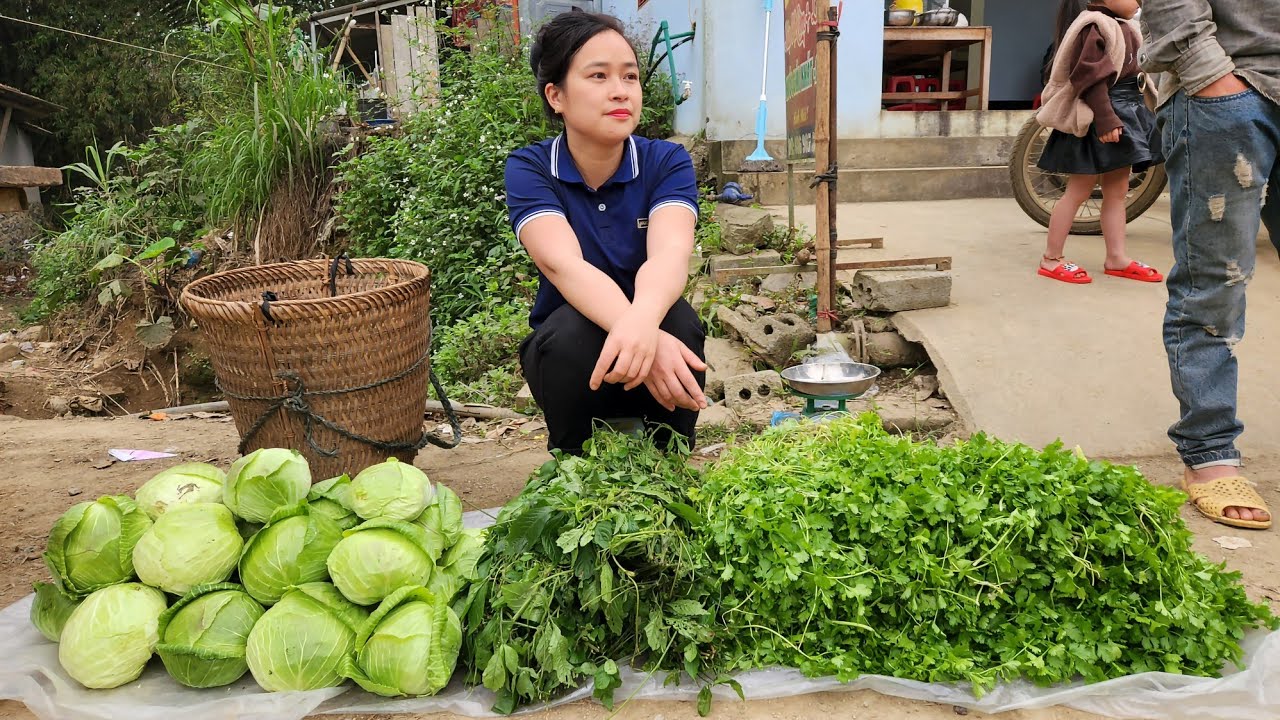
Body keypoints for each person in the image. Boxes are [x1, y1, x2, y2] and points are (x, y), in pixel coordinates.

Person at [505, 11, 709, 455]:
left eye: (630, 76)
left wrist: (644, 330)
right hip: (574, 365)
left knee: (680, 323)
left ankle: (668, 464)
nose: (620, 91)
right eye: (598, 76)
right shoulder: (531, 167)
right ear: (555, 95)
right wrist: (645, 336)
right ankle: (575, 464)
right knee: (571, 335)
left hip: (655, 350)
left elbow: (670, 256)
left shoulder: (665, 162)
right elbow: (563, 264)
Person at [1141, 0, 1278, 530]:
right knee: (1214, 284)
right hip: (1234, 87)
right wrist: (1208, 73)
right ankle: (1210, 452)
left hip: (1230, 92)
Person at [1034, 0, 1164, 285]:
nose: (1137, 1)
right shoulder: (1094, 25)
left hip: (1125, 111)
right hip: (1101, 115)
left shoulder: (1123, 25)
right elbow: (1089, 78)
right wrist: (1105, 119)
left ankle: (1116, 257)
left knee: (1117, 191)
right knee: (1078, 190)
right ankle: (1051, 258)